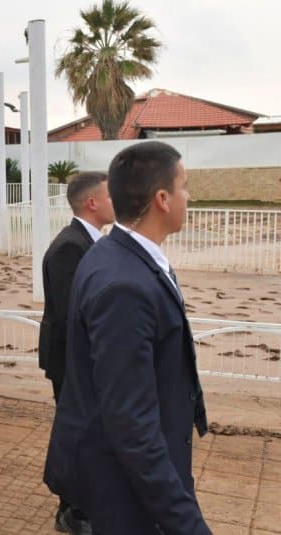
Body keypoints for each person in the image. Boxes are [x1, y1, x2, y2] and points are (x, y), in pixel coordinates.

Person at [44, 141, 210, 534]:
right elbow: (131, 422)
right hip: (127, 486)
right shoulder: (124, 285)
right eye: (184, 186)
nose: (189, 196)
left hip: (131, 472)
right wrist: (186, 523)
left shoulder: (116, 253)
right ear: (162, 199)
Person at [38, 172, 114, 533]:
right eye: (111, 196)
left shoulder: (91, 242)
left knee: (88, 435)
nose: (117, 202)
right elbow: (73, 316)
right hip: (71, 361)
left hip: (81, 360)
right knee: (78, 436)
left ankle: (81, 505)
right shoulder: (70, 247)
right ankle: (72, 512)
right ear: (92, 203)